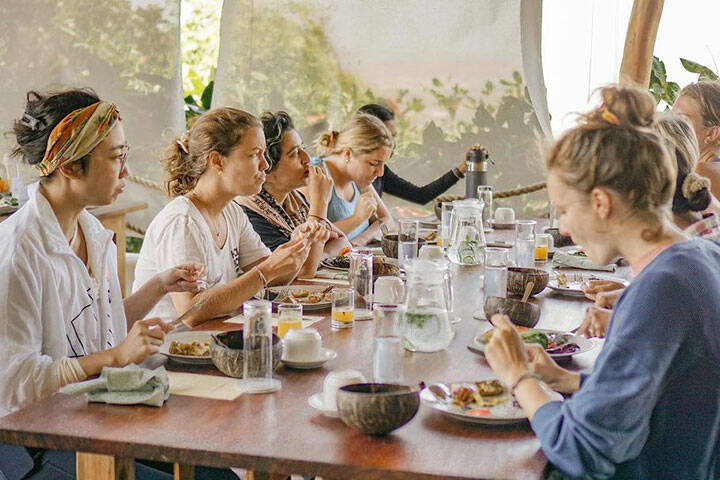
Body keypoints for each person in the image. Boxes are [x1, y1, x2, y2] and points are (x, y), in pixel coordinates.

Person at [485, 85, 720, 479]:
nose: (562, 227)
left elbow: (581, 450)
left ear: (600, 202)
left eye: (563, 209)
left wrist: (518, 378)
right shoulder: (701, 259)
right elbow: (665, 393)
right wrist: (570, 380)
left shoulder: (662, 290)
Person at [0, 89, 212, 479]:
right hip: (31, 447)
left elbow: (104, 328)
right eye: (116, 158)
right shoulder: (17, 253)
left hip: (93, 417)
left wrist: (159, 286)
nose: (126, 172)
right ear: (69, 167)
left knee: (219, 474)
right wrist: (114, 357)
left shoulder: (91, 231)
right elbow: (14, 386)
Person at [133, 107, 333, 326]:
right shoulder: (183, 221)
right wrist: (266, 271)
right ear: (218, 161)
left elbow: (273, 278)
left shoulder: (231, 211)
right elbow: (190, 313)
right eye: (253, 155)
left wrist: (298, 246)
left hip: (218, 343)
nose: (265, 165)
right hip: (168, 353)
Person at [578, 113, 720, 338]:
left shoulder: (688, 258)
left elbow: (691, 326)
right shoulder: (703, 237)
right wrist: (633, 295)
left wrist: (625, 317)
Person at [237, 111, 350, 274]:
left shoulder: (295, 200)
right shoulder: (250, 214)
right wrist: (320, 203)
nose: (307, 158)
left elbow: (342, 242)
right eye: (295, 154)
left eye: (303, 148)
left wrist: (318, 256)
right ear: (267, 168)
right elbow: (303, 271)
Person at [358, 104, 478, 204]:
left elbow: (420, 195)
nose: (393, 143)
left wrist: (461, 168)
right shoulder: (350, 176)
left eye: (393, 136)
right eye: (387, 136)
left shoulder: (380, 172)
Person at [311, 113, 394, 245]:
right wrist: (357, 218)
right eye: (373, 163)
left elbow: (387, 220)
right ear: (348, 154)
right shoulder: (316, 176)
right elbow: (310, 240)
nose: (380, 172)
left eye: (383, 163)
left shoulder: (357, 178)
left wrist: (361, 240)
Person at [672, 81, 720, 199]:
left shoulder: (700, 174)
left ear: (712, 133)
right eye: (671, 118)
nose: (671, 127)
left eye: (681, 121)